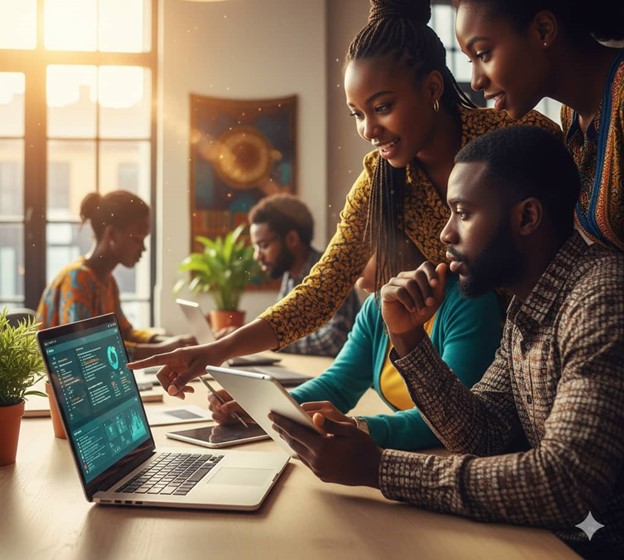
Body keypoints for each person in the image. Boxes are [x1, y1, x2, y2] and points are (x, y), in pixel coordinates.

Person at [128, 0, 559, 396]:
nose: (368, 130)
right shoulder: (381, 178)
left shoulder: (517, 135)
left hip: (552, 351)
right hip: (478, 373)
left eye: (382, 107)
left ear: (431, 88)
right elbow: (319, 292)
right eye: (357, 113)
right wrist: (215, 350)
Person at [270, 126, 624, 558]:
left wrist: (380, 468)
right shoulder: (524, 308)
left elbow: (566, 484)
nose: (444, 234)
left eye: (463, 213)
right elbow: (480, 434)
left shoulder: (600, 296)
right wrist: (407, 338)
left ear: (527, 217)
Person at [208, 235, 501, 450]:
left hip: (448, 462)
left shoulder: (468, 303)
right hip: (413, 455)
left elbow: (453, 420)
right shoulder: (376, 307)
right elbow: (338, 385)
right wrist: (262, 406)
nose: (344, 260)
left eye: (357, 247)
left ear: (399, 242)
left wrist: (362, 427)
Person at [452, 0, 624, 252]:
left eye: (484, 53)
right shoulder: (572, 118)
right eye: (471, 61)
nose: (476, 82)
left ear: (543, 30)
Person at [37, 190, 193, 360]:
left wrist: (171, 343)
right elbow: (86, 349)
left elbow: (124, 333)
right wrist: (163, 349)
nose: (143, 248)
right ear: (111, 235)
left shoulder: (108, 281)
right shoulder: (77, 279)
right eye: (138, 239)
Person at [246, 193, 360, 357]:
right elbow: (282, 326)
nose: (257, 256)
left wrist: (272, 341)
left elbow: (334, 339)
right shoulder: (291, 275)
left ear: (292, 239)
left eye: (263, 245)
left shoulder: (330, 270)